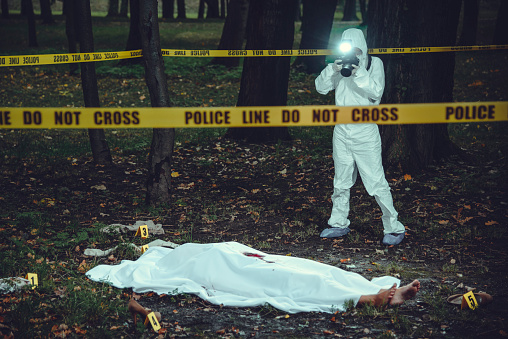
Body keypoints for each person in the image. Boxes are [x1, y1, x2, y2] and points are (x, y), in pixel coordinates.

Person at [86, 241, 420, 313]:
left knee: (308, 267)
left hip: (238, 257)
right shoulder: (160, 264)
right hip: (228, 270)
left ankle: (375, 287)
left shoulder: (167, 251)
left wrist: (239, 251)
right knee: (287, 282)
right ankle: (368, 298)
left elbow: (218, 248)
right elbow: (190, 269)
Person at [315, 28, 406, 246]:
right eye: (346, 46)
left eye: (354, 47)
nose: (350, 51)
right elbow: (320, 88)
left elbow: (376, 92)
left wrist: (358, 72)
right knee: (341, 181)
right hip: (341, 130)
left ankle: (393, 227)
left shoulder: (374, 64)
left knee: (375, 181)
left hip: (365, 130)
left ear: (362, 46)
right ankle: (338, 223)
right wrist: (332, 69)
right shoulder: (337, 64)